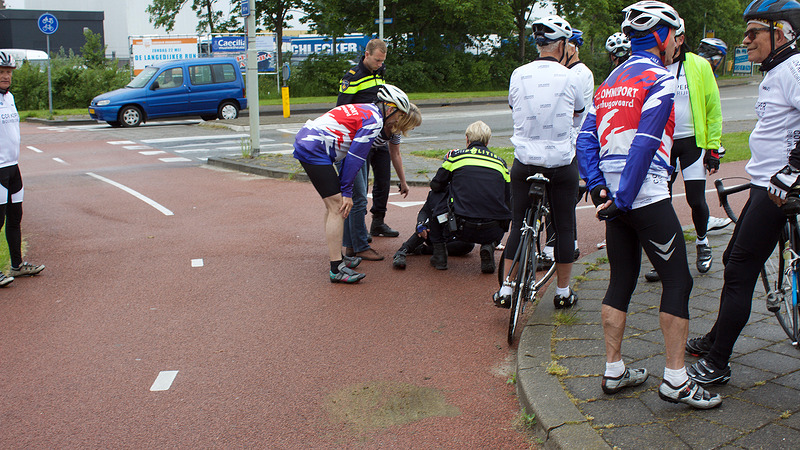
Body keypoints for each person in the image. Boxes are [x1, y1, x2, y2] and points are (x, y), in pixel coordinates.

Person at [576, 1, 721, 409]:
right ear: (662, 36)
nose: (677, 43)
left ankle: (613, 370)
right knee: (678, 281)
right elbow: (646, 141)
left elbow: (585, 139)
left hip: (614, 201)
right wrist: (623, 198)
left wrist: (600, 189)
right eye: (675, 35)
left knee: (621, 280)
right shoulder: (660, 77)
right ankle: (676, 380)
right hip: (646, 198)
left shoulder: (610, 80)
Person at [685, 0, 800, 387]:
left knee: (738, 269)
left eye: (754, 32)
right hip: (766, 184)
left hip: (779, 190)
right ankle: (717, 337)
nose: (745, 39)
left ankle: (719, 361)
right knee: (734, 257)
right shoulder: (779, 70)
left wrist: (793, 170)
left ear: (780, 33)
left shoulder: (795, 68)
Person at [494, 14, 584, 310]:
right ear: (562, 45)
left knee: (518, 223)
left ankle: (507, 288)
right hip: (560, 161)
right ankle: (562, 291)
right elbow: (579, 113)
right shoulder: (572, 76)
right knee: (564, 224)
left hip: (525, 161)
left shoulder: (518, 73)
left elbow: (513, 106)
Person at [293, 84, 421, 283]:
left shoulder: (368, 110)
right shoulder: (375, 122)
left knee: (331, 205)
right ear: (390, 109)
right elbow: (354, 158)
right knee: (337, 206)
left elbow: (350, 156)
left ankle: (339, 257)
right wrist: (346, 192)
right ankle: (336, 268)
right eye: (399, 114)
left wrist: (345, 190)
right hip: (315, 147)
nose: (398, 119)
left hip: (310, 142)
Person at [645, 18, 731, 283]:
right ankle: (666, 254)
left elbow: (713, 109)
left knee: (696, 199)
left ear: (680, 39)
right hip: (663, 143)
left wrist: (713, 148)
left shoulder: (698, 65)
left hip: (692, 142)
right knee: (661, 201)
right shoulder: (652, 65)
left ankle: (702, 242)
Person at [337, 39, 408, 263]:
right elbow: (342, 109)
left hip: (375, 134)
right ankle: (357, 244)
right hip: (359, 138)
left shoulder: (380, 71)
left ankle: (367, 231)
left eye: (382, 61)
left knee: (380, 183)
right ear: (366, 54)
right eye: (377, 60)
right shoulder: (352, 77)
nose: (379, 64)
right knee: (358, 194)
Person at [414, 120, 511, 272]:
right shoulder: (501, 164)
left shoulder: (456, 157)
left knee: (436, 196)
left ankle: (440, 256)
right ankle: (489, 245)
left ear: (467, 139)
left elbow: (436, 185)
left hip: (459, 226)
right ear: (488, 141)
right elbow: (508, 197)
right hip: (493, 229)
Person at [0, 51, 45, 287]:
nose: (6, 76)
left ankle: (17, 266)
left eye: (8, 72)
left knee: (15, 217)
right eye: (1, 72)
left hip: (12, 168)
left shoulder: (10, 98)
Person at [391, 188, 476, 270]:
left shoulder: (463, 193)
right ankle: (401, 252)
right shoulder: (436, 192)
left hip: (456, 234)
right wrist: (420, 224)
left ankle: (423, 250)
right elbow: (424, 211)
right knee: (426, 226)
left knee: (468, 245)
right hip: (437, 231)